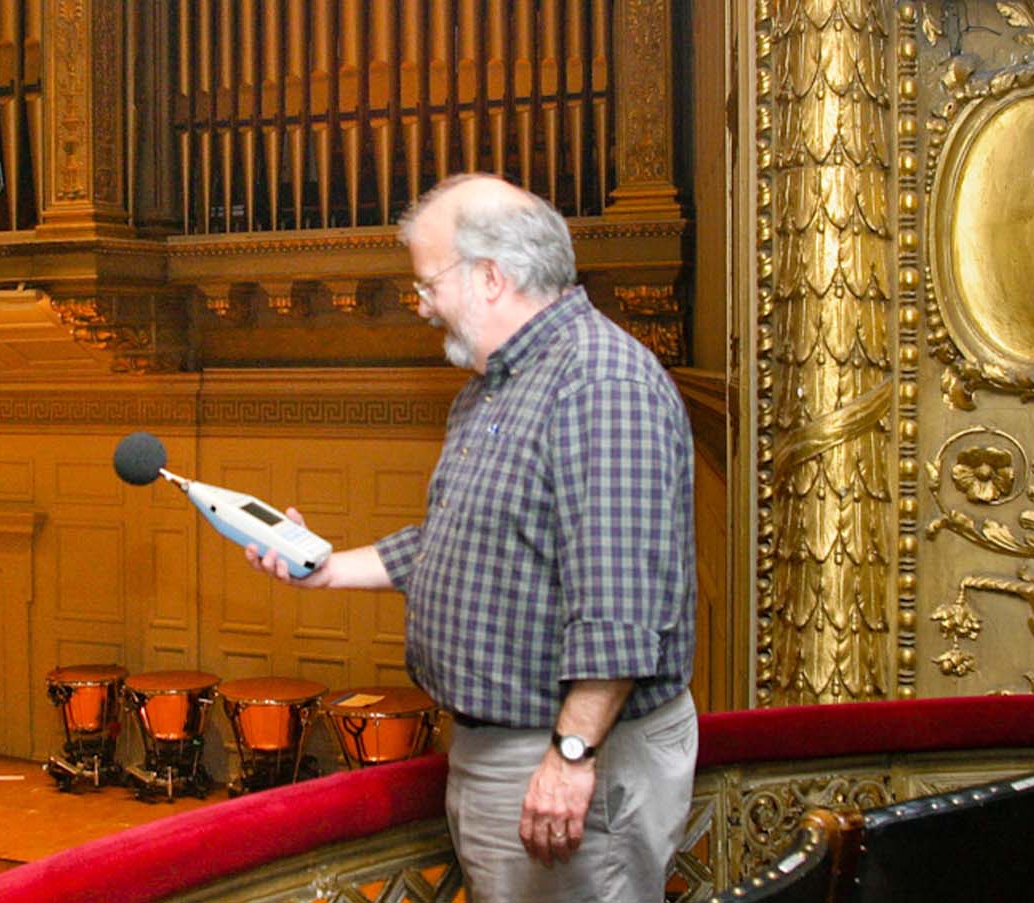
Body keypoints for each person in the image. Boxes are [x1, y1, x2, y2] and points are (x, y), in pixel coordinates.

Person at [246, 173, 698, 903]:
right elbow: (460, 543)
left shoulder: (599, 381)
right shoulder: (497, 386)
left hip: (571, 750)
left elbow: (620, 609)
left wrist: (571, 755)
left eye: (428, 282)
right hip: (506, 746)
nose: (420, 303)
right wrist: (325, 567)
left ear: (490, 276)